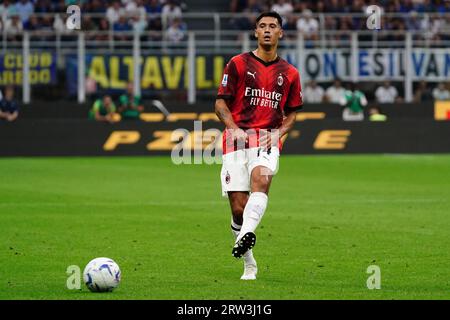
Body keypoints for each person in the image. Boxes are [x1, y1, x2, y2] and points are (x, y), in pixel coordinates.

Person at [215, 11, 302, 280]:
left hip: (266, 138)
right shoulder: (238, 64)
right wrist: (233, 128)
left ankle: (248, 234)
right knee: (238, 210)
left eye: (272, 26)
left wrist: (279, 134)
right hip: (235, 140)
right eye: (262, 26)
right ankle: (249, 262)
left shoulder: (290, 73)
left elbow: (292, 113)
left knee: (261, 181)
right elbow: (220, 104)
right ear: (255, 32)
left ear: (280, 33)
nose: (267, 30)